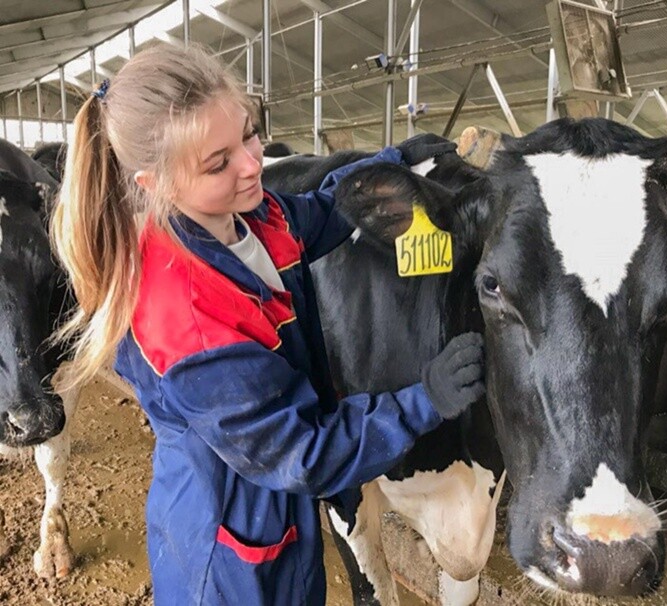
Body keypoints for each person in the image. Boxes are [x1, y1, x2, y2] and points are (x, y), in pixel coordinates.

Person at [51, 43, 485, 606]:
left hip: (272, 502)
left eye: (248, 136)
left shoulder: (250, 215)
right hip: (229, 541)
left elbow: (327, 209)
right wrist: (423, 399)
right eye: (219, 162)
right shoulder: (189, 322)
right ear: (154, 184)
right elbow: (303, 452)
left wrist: (393, 165)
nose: (252, 163)